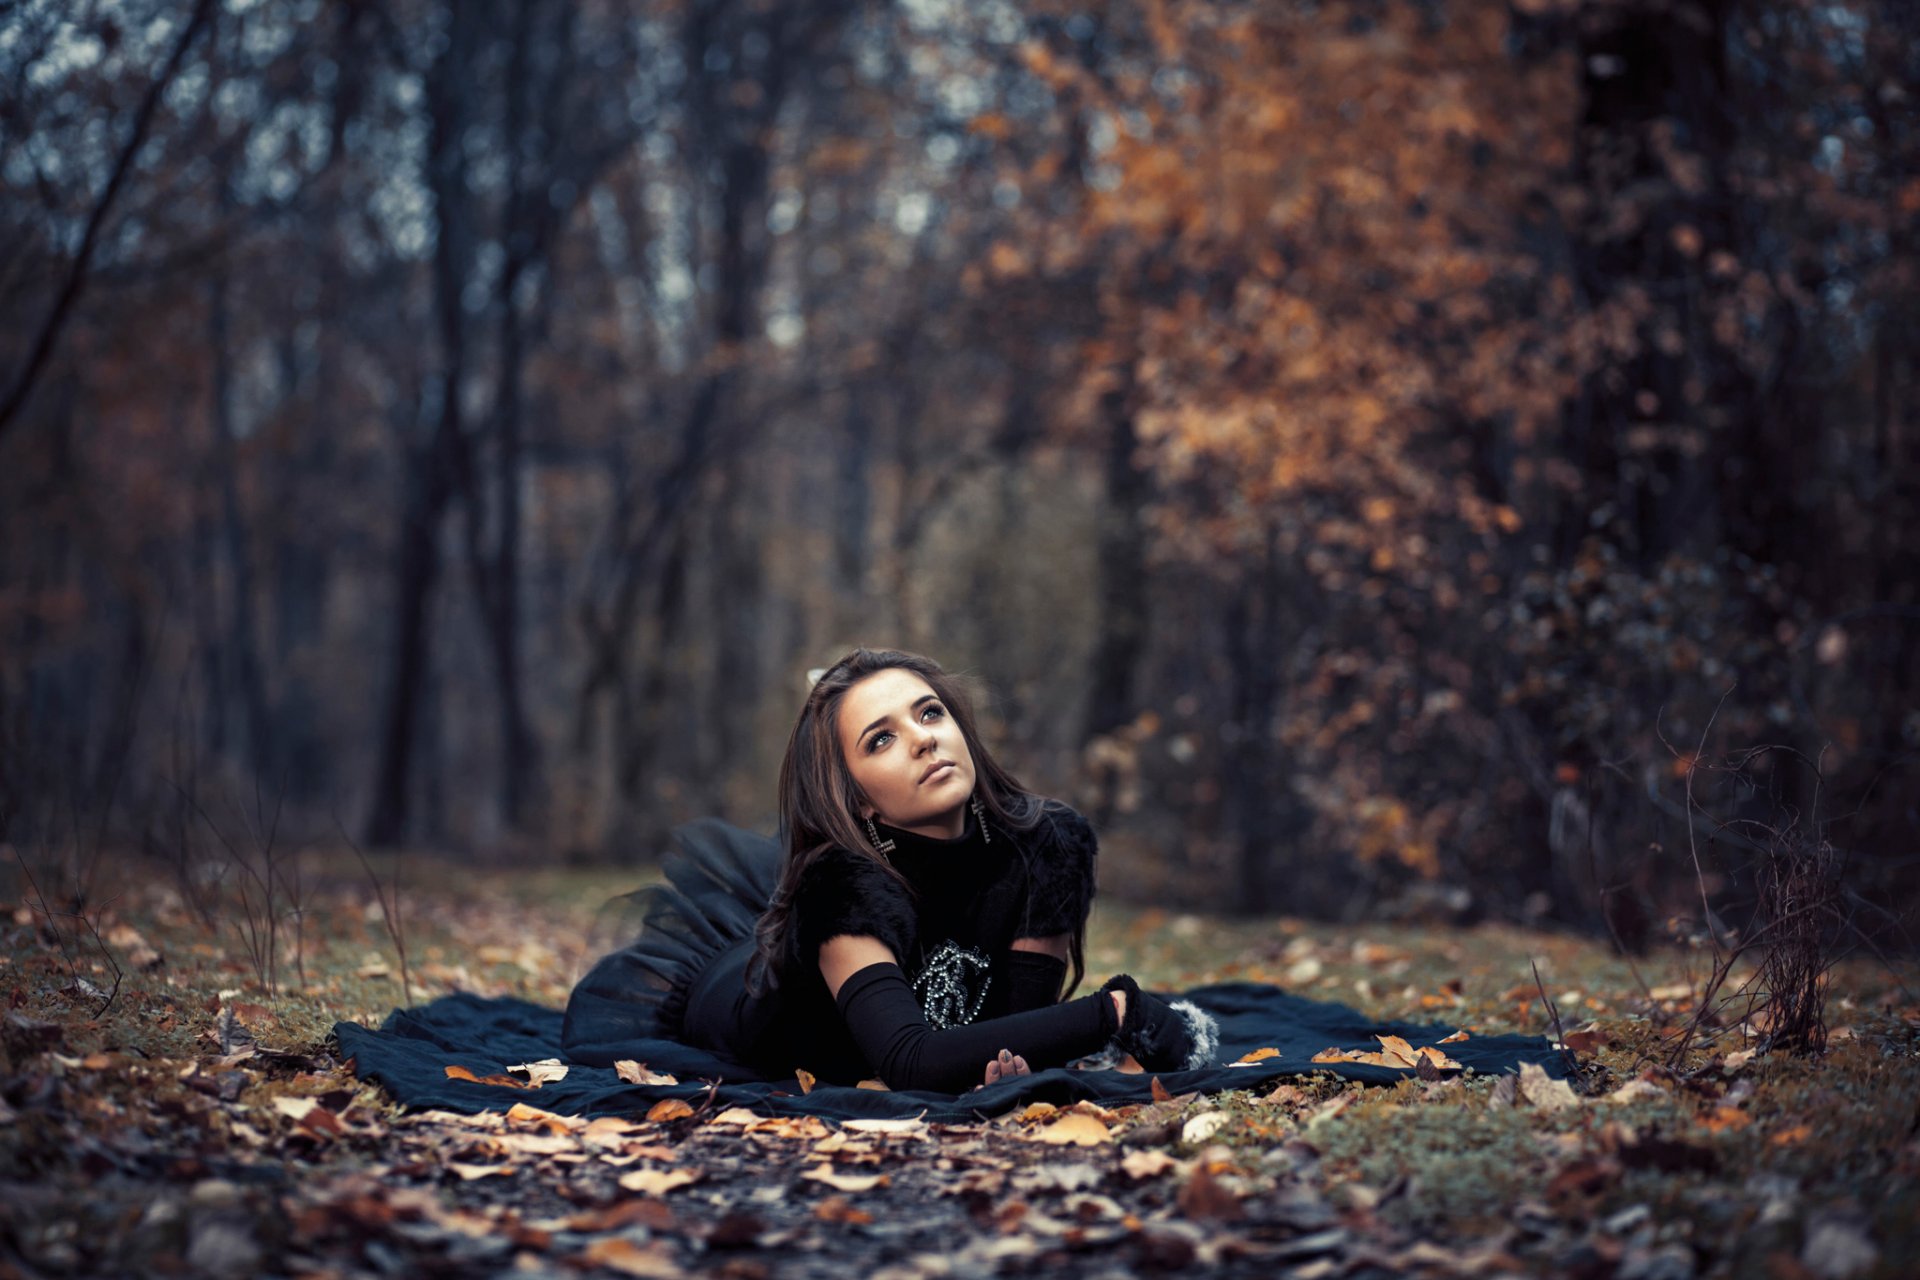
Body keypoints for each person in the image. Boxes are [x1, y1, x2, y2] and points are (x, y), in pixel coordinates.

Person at [562, 648, 1218, 1093]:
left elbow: (1020, 1027)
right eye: (881, 739)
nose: (923, 737)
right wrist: (1116, 1011)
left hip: (907, 1007)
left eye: (929, 712)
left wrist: (1021, 1054)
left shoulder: (1046, 847)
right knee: (757, 980)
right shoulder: (844, 887)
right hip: (757, 1005)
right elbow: (908, 1061)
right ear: (858, 798)